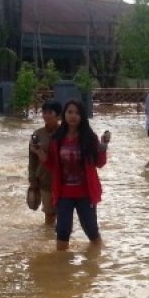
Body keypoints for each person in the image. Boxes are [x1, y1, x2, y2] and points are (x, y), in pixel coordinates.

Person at [31, 99, 110, 251]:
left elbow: (99, 163)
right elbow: (53, 165)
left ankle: (97, 263)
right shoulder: (57, 139)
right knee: (62, 231)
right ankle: (61, 269)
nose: (73, 116)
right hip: (63, 194)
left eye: (77, 113)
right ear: (64, 115)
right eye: (70, 112)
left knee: (91, 230)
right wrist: (40, 152)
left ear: (82, 116)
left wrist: (103, 147)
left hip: (85, 193)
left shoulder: (89, 137)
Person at [28, 99, 62, 226]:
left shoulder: (64, 133)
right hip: (44, 179)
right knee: (49, 213)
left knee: (63, 212)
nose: (46, 115)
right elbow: (32, 160)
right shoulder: (37, 134)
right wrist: (32, 178)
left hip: (63, 180)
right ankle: (48, 239)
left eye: (50, 112)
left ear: (58, 115)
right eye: (44, 112)